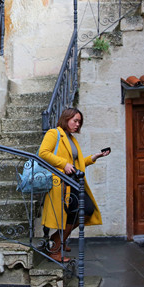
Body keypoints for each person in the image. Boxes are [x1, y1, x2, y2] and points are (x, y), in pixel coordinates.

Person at [39, 107, 110, 262]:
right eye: (75, 121)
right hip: (62, 182)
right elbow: (43, 153)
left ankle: (58, 240)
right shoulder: (54, 133)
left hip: (72, 182)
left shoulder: (71, 138)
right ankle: (56, 249)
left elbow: (75, 165)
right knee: (80, 211)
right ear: (66, 119)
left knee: (83, 211)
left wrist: (94, 157)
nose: (78, 124)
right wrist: (63, 163)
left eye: (80, 122)